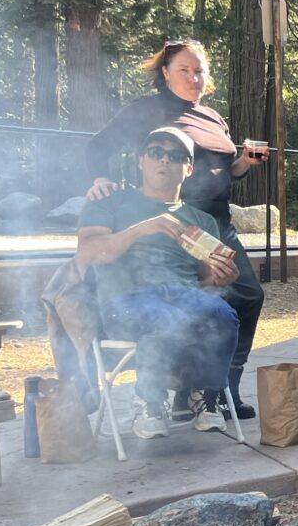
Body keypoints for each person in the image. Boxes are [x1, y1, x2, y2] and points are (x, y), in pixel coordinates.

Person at [82, 39, 266, 419]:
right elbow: (99, 146)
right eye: (184, 69)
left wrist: (243, 163)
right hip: (177, 218)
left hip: (216, 221)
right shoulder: (147, 110)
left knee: (246, 295)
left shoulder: (213, 117)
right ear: (165, 72)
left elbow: (223, 170)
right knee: (183, 300)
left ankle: (220, 386)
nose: (193, 77)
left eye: (199, 71)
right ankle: (187, 389)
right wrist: (99, 179)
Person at [76, 127, 241, 438]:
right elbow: (87, 254)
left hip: (184, 295)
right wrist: (142, 229)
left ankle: (204, 396)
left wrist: (221, 276)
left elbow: (204, 278)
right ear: (141, 161)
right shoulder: (110, 201)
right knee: (165, 319)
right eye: (156, 152)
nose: (165, 160)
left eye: (176, 156)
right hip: (125, 301)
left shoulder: (202, 221)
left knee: (223, 316)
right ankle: (149, 401)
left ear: (188, 169)